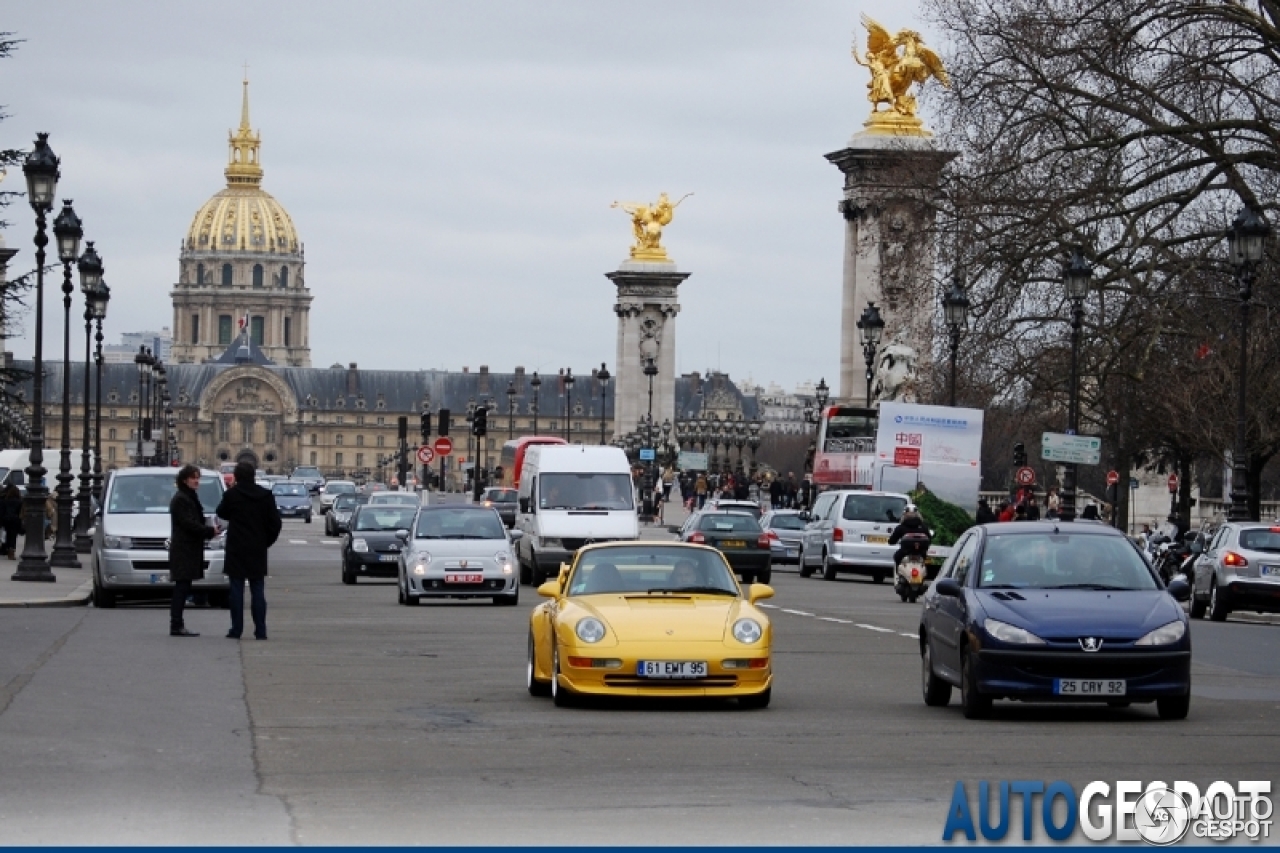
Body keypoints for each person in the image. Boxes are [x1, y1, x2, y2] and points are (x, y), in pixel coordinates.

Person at [215, 461, 282, 640]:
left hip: (236, 546)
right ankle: (260, 630)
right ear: (254, 476)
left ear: (236, 476)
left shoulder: (232, 495)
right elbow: (275, 524)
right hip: (257, 547)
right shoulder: (265, 495)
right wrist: (266, 542)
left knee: (236, 589)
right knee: (257, 589)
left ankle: (236, 629)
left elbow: (221, 512)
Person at [168, 464, 216, 637]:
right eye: (193, 478)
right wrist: (209, 531)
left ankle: (177, 624)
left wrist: (209, 529)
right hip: (184, 549)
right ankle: (176, 624)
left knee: (184, 585)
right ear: (184, 480)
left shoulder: (188, 496)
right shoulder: (182, 498)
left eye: (198, 478)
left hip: (188, 548)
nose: (197, 481)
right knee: (181, 587)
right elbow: (189, 523)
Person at [888, 503, 931, 569]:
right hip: (921, 554)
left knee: (896, 557)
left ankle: (898, 577)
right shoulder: (923, 527)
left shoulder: (901, 527)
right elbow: (929, 539)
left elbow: (891, 541)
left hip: (904, 553)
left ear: (904, 514)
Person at [0, 485, 23, 558]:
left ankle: (6, 548)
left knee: (7, 534)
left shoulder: (5, 501)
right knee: (13, 536)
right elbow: (20, 512)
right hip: (15, 520)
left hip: (6, 519)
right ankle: (11, 549)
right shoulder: (20, 501)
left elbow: (2, 511)